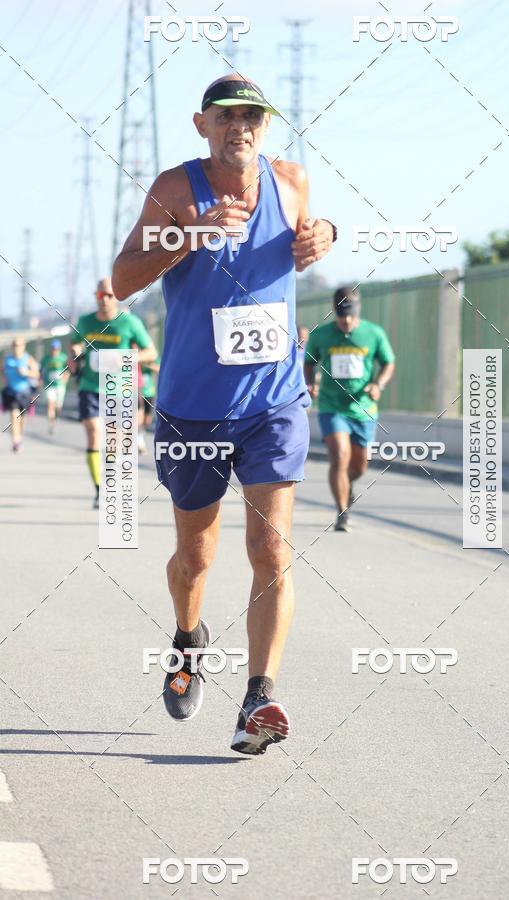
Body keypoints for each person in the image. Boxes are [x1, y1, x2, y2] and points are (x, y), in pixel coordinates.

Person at [112, 74, 335, 755]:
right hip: (193, 409)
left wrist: (325, 233)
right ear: (201, 124)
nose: (241, 127)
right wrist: (188, 237)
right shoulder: (177, 191)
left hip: (273, 402)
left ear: (267, 127)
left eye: (253, 117)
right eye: (227, 117)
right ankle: (188, 639)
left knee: (271, 548)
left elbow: (311, 232)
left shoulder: (291, 180)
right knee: (195, 556)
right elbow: (121, 280)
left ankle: (258, 700)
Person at [304, 287, 395, 532]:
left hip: (364, 409)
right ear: (334, 310)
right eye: (342, 316)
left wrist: (378, 385)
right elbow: (309, 363)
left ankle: (348, 486)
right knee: (339, 455)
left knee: (358, 466)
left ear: (358, 310)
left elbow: (388, 362)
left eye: (351, 316)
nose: (346, 321)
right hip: (331, 407)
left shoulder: (373, 334)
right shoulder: (321, 335)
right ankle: (342, 512)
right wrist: (310, 383)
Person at [69, 277, 157, 508]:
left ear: (116, 297)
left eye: (109, 295)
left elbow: (151, 352)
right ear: (95, 297)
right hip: (90, 385)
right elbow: (74, 342)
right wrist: (74, 355)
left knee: (113, 442)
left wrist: (126, 358)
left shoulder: (129, 323)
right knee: (93, 431)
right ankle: (99, 489)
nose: (105, 300)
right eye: (100, 295)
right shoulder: (86, 322)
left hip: (118, 388)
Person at [2, 337, 39, 452]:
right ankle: (15, 441)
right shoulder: (6, 359)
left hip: (24, 393)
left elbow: (37, 374)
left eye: (18, 345)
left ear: (23, 346)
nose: (16, 347)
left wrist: (27, 372)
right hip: (11, 393)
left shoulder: (28, 359)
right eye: (14, 345)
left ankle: (19, 435)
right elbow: (1, 370)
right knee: (14, 416)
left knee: (22, 420)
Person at [41, 338, 69, 433]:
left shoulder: (63, 358)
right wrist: (41, 380)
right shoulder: (46, 359)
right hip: (49, 386)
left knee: (58, 407)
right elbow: (41, 370)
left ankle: (55, 419)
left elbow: (68, 371)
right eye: (53, 348)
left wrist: (64, 379)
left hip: (60, 386)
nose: (54, 350)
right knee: (50, 405)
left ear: (59, 349)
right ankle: (51, 425)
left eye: (56, 348)